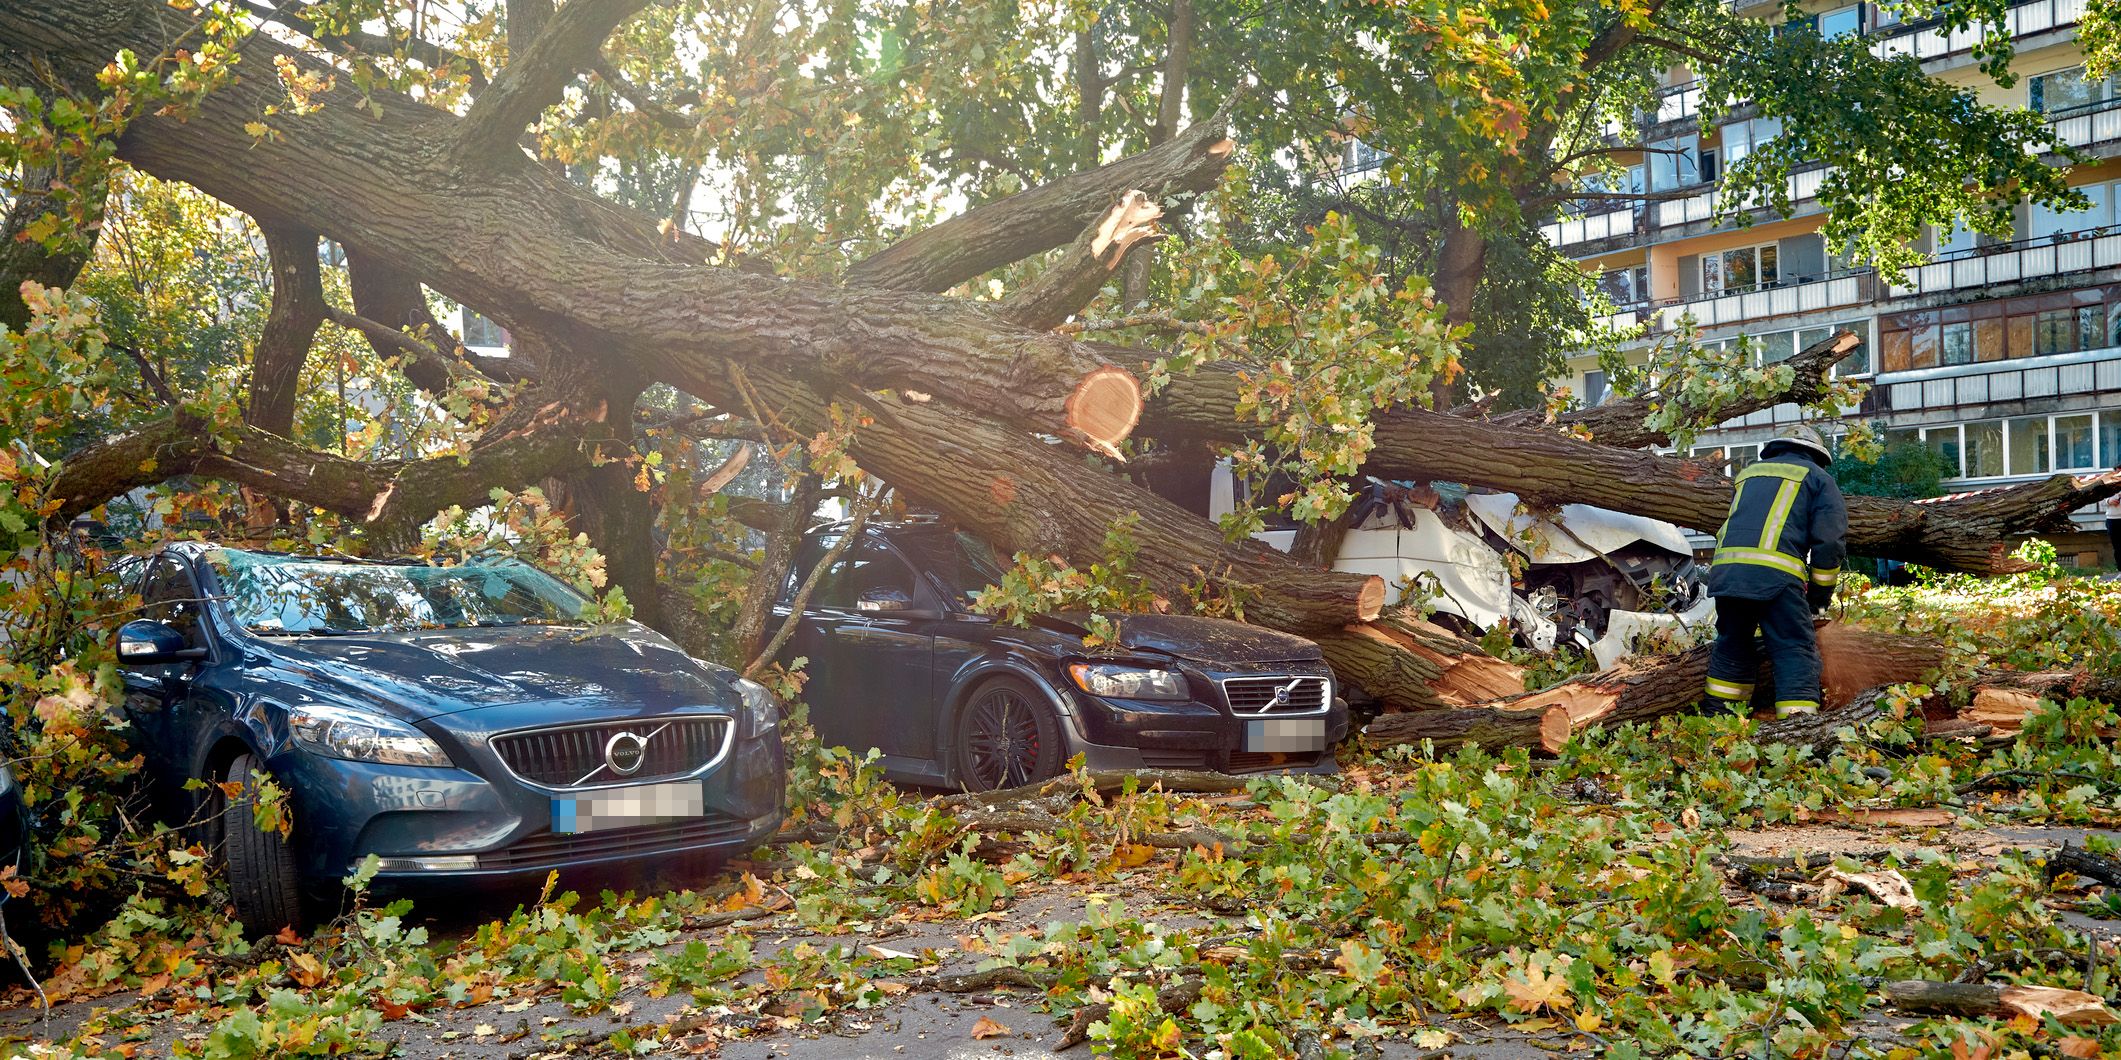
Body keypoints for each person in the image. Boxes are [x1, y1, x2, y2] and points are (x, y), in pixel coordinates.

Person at [1704, 423, 1848, 718]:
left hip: (1727, 574)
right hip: (1777, 576)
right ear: (1816, 456)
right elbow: (1829, 542)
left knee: (1732, 646)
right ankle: (1798, 730)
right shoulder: (1819, 478)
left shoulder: (1748, 475)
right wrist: (1819, 598)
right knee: (1793, 647)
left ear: (1776, 450)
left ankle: (1718, 726)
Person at [2103, 468, 2121, 567]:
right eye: (2117, 472)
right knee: (2117, 546)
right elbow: (2102, 500)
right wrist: (2109, 501)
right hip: (2112, 519)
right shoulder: (2109, 485)